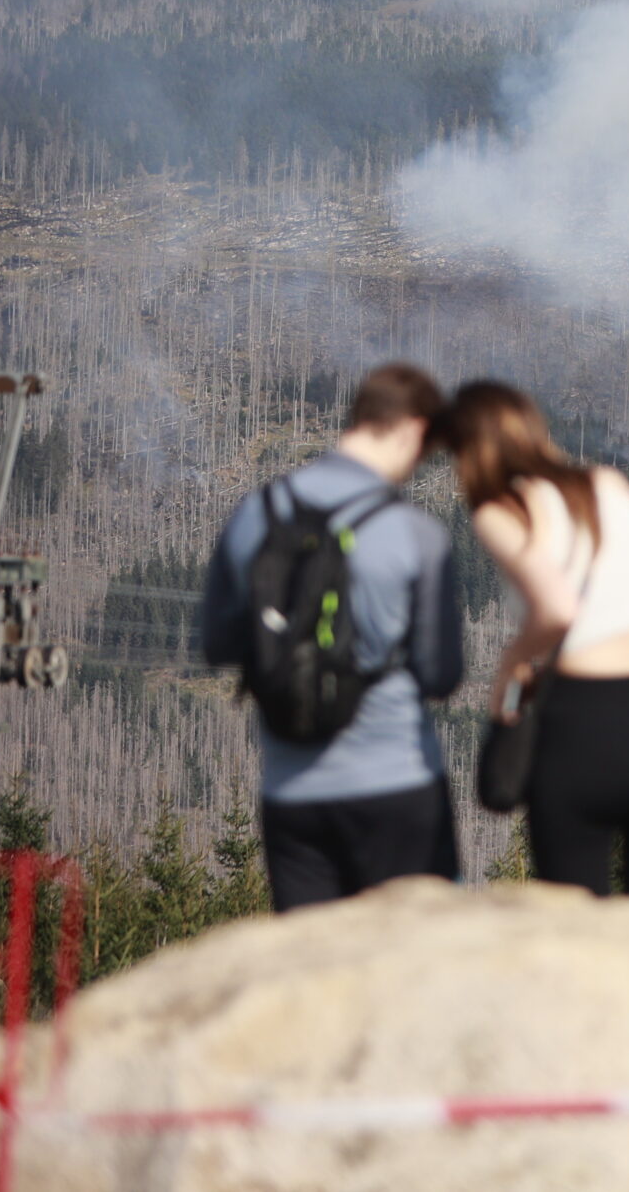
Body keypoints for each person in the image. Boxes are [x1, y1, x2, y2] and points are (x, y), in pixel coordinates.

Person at [197, 362, 466, 910]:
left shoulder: (257, 513)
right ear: (412, 428)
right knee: (413, 964)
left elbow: (217, 644)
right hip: (397, 784)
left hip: (292, 792)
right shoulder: (416, 534)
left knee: (314, 972)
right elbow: (441, 675)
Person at [442, 380, 629, 901]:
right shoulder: (607, 483)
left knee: (576, 928)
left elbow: (558, 608)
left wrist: (513, 664)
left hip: (586, 721)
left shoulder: (501, 511)